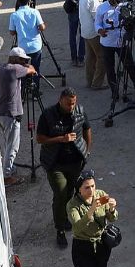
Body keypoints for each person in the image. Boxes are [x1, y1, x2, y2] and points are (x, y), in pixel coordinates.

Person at [35, 88, 93, 248]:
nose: (71, 107)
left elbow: (87, 129)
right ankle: (60, 229)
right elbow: (40, 139)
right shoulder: (48, 115)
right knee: (60, 193)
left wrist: (87, 151)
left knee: (71, 193)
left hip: (75, 162)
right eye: (68, 104)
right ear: (60, 100)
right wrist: (61, 138)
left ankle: (65, 219)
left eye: (73, 103)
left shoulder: (80, 111)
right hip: (55, 164)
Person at [0, 47, 37, 186]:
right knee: (13, 147)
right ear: (16, 60)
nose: (24, 62)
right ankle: (6, 176)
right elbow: (32, 69)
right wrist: (27, 65)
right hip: (10, 114)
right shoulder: (14, 70)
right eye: (22, 60)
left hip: (0, 112)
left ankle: (9, 168)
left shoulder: (2, 68)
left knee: (7, 143)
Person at [79, 0, 108, 90]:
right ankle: (97, 83)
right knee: (101, 57)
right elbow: (98, 17)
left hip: (85, 31)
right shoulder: (93, 0)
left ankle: (90, 81)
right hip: (93, 33)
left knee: (90, 57)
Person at [62, 0, 89, 66]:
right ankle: (81, 57)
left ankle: (74, 58)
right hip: (82, 7)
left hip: (71, 7)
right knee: (82, 33)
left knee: (72, 33)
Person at [9, 0, 46, 71]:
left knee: (22, 70)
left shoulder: (14, 15)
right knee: (35, 69)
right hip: (35, 46)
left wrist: (18, 29)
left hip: (22, 48)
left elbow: (12, 32)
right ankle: (35, 82)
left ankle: (24, 82)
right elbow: (42, 27)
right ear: (29, 1)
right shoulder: (35, 12)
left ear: (18, 2)